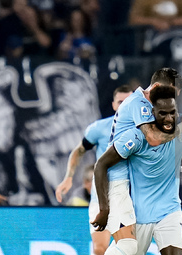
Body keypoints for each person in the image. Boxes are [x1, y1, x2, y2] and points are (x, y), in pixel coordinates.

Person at [90, 68, 182, 255]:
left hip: (134, 183)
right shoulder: (139, 103)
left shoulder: (152, 107)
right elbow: (154, 138)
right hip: (116, 180)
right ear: (155, 87)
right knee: (128, 247)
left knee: (130, 248)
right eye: (169, 92)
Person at [55, 84, 133, 255]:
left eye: (128, 102)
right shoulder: (99, 128)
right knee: (99, 249)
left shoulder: (143, 131)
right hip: (101, 197)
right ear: (113, 105)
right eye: (120, 102)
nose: (124, 106)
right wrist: (68, 177)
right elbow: (79, 150)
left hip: (131, 199)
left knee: (129, 248)